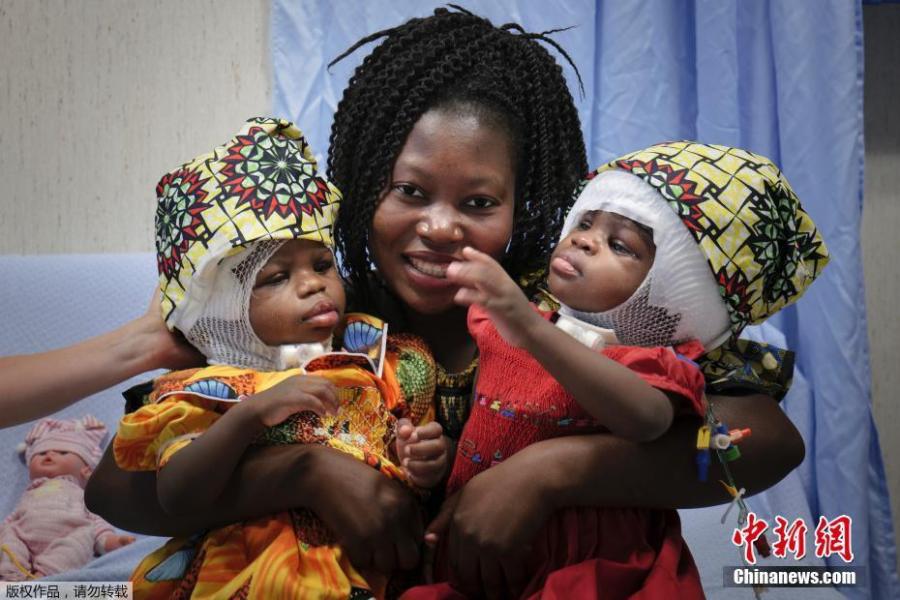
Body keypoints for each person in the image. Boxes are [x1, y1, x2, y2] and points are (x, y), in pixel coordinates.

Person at [78, 7, 803, 596]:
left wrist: (552, 473)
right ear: (364, 182)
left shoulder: (573, 316)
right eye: (410, 191)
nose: (440, 227)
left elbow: (763, 443)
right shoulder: (307, 315)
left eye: (479, 202)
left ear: (524, 203)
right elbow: (117, 489)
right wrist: (306, 474)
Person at [403, 141, 828, 598]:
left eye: (620, 245)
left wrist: (529, 327)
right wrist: (444, 456)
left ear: (676, 291)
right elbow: (498, 423)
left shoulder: (651, 361)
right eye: (585, 222)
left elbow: (649, 420)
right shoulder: (501, 326)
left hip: (593, 569)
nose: (583, 239)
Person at [112, 117, 449, 598]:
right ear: (226, 309)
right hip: (243, 579)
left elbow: (418, 464)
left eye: (321, 264)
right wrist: (247, 417)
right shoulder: (205, 390)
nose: (313, 284)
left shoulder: (380, 359)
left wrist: (428, 458)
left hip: (369, 574)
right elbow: (177, 496)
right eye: (275, 277)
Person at [0, 416, 135, 580]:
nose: (49, 454)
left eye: (63, 452)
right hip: (22, 535)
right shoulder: (31, 491)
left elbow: (95, 520)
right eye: (41, 453)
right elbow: (14, 516)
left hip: (66, 536)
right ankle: (10, 576)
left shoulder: (81, 492)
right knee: (9, 537)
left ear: (86, 468)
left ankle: (44, 577)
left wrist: (109, 541)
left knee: (81, 538)